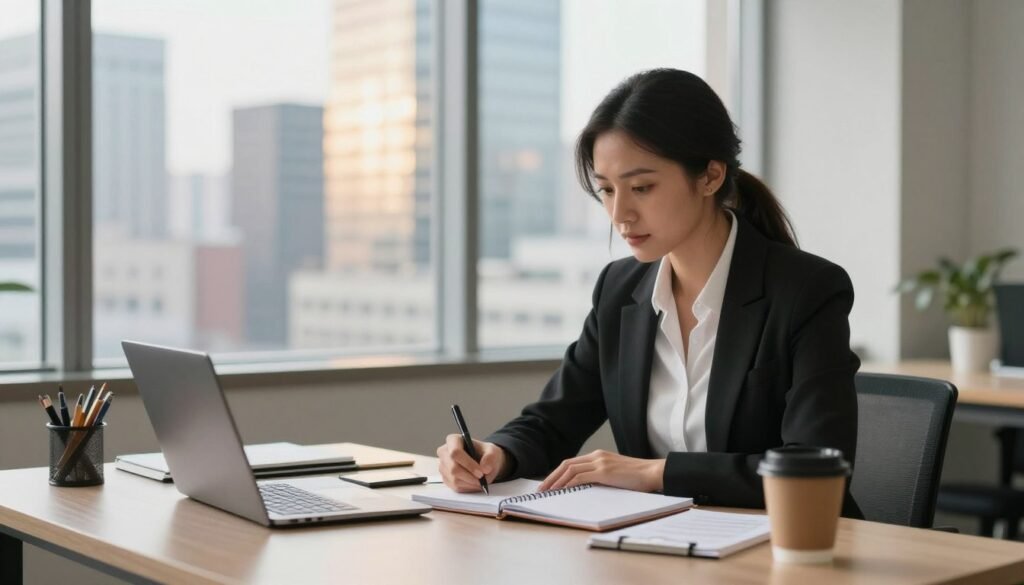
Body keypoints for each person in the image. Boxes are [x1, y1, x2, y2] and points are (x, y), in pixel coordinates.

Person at [436, 68, 863, 517]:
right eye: (606, 190)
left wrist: (655, 473)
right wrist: (496, 454)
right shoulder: (619, 291)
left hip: (793, 546)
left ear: (710, 176)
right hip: (663, 543)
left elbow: (815, 466)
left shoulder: (806, 291)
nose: (620, 214)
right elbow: (551, 422)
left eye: (642, 187)